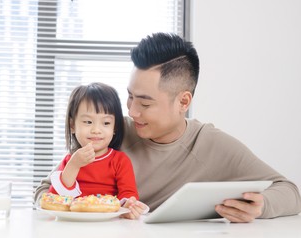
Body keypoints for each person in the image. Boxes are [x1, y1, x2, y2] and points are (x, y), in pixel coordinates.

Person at [35, 32, 301, 222]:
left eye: (145, 103)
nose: (131, 110)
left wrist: (260, 206)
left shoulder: (210, 144)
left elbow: (289, 191)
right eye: (129, 96)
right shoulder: (110, 133)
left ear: (183, 101)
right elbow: (44, 192)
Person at [43, 82, 148, 219]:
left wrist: (129, 206)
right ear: (72, 125)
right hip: (74, 224)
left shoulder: (120, 161)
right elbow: (55, 201)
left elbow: (128, 194)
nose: (96, 130)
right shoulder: (71, 160)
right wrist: (74, 165)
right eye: (88, 122)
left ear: (114, 127)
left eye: (106, 123)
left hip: (109, 224)